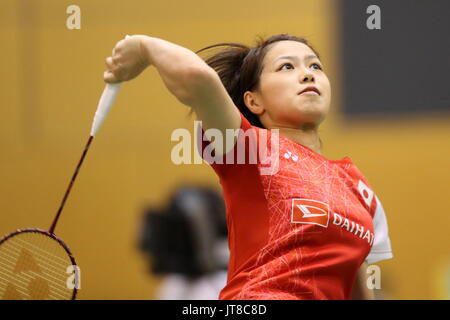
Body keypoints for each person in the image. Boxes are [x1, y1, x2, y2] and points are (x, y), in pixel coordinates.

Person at [104, 33, 393, 300]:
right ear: (253, 101)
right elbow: (197, 78)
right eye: (286, 67)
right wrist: (143, 47)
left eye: (315, 66)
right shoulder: (247, 148)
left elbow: (355, 280)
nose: (308, 74)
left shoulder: (356, 185)